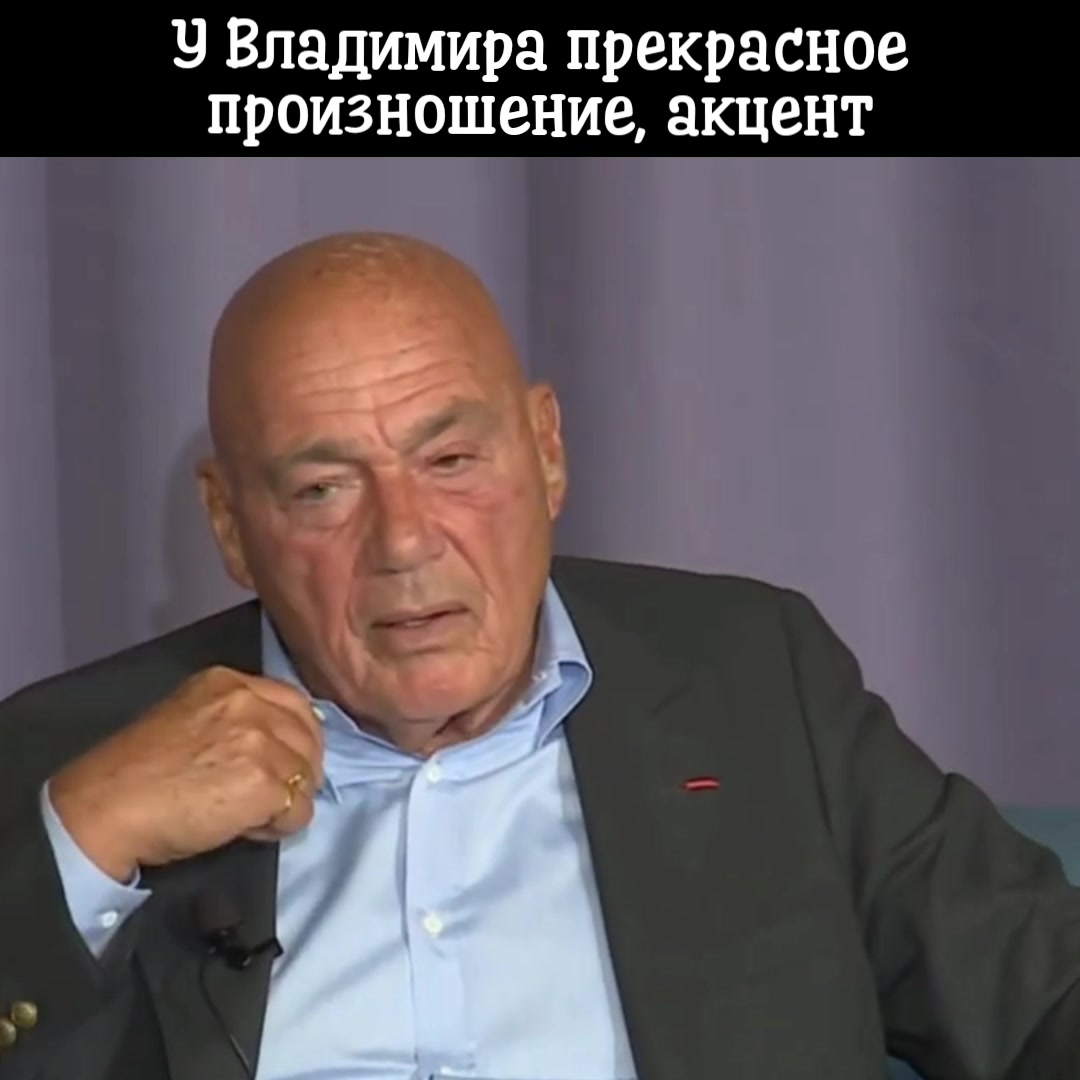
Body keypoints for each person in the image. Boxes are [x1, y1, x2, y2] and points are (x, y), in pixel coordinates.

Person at [1, 232, 1078, 1080]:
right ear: (230, 524)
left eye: (451, 460)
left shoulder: (751, 680)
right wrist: (81, 841)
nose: (404, 542)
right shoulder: (71, 761)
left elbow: (1041, 990)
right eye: (323, 489)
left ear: (546, 451)